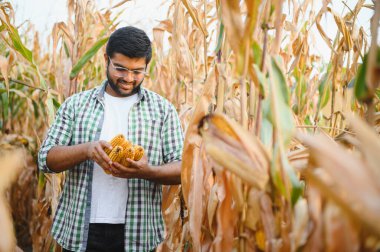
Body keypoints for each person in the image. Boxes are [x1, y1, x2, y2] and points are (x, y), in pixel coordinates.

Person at [38, 26, 184, 252]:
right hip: (81, 230)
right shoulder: (76, 105)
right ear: (106, 59)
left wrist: (147, 171)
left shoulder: (163, 110)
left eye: (138, 72)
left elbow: (184, 169)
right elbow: (46, 159)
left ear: (147, 67)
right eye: (120, 69)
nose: (128, 78)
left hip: (138, 233)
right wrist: (86, 150)